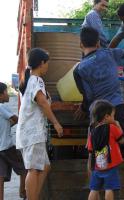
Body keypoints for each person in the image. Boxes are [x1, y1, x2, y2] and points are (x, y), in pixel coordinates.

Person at [74, 27, 124, 200]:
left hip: (97, 112)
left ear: (80, 44)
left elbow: (88, 96)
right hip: (117, 108)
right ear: (98, 42)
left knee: (94, 154)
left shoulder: (79, 69)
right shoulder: (109, 54)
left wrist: (83, 108)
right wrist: (108, 49)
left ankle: (95, 195)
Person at [16, 48, 63, 200]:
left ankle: (33, 196)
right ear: (41, 63)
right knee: (33, 169)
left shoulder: (29, 81)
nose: (47, 66)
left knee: (44, 166)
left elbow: (42, 100)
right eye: (47, 63)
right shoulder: (36, 80)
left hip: (30, 133)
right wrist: (56, 123)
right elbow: (42, 102)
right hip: (32, 133)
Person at [87, 100, 124, 200]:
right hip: (110, 165)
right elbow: (122, 140)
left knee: (94, 189)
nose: (114, 118)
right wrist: (118, 125)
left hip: (97, 166)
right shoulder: (112, 128)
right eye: (113, 116)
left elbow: (90, 151)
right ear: (107, 117)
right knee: (109, 188)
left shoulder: (92, 132)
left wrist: (91, 167)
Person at [0, 82, 26, 200]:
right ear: (1, 95)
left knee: (0, 176)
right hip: (7, 146)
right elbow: (15, 118)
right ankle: (23, 192)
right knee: (25, 168)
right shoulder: (1, 107)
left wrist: (7, 126)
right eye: (6, 92)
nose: (8, 95)